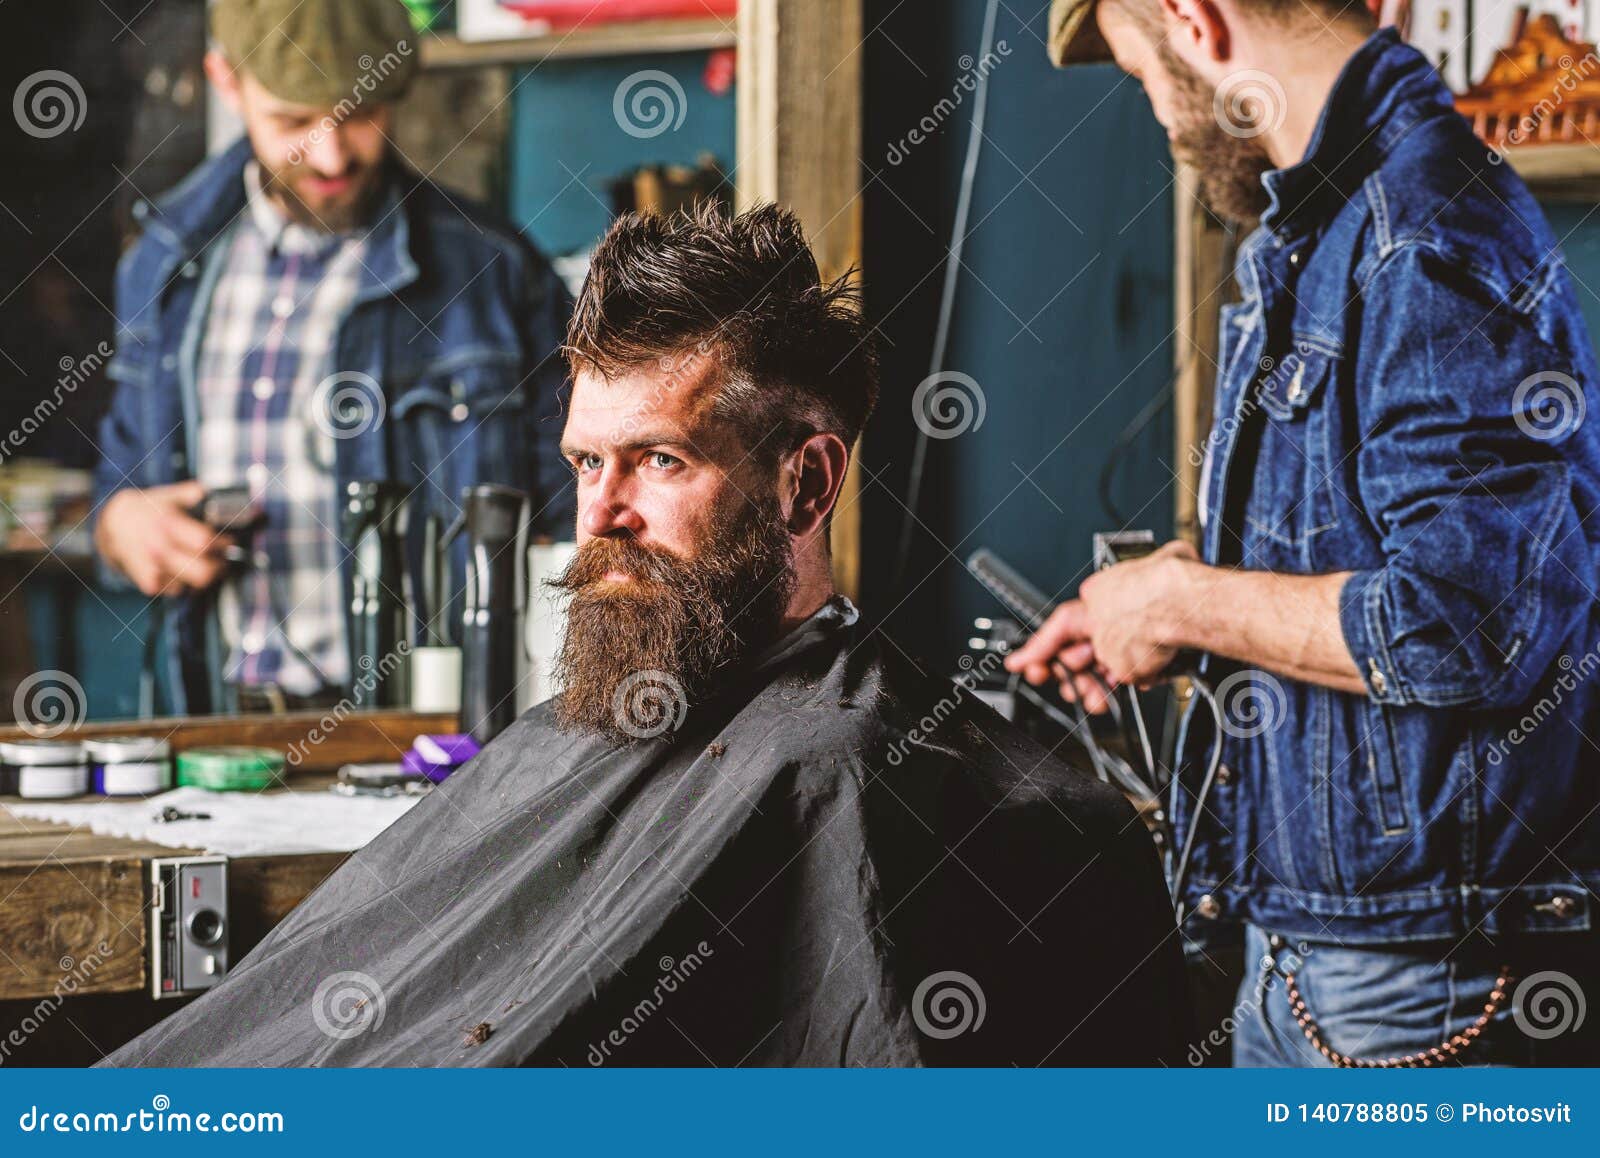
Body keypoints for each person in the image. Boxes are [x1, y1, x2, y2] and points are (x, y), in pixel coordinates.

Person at [100, 205, 1191, 1067]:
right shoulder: (576, 734)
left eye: (658, 461)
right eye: (585, 463)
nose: (599, 512)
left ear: (804, 482)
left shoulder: (836, 773)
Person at [1024, 0, 1600, 1065]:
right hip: (1319, 948)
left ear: (1191, 22)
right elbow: (1370, 564)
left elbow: (1469, 625)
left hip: (1418, 981)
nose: (1157, 116)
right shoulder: (1329, 233)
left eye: (1140, 74)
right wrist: (1164, 609)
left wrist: (1180, 604)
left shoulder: (1420, 236)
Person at [91, 0, 573, 714]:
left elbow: (578, 520)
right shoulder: (161, 263)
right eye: (292, 121)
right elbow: (119, 487)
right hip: (210, 725)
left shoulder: (494, 273)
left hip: (433, 734)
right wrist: (121, 524)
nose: (330, 155)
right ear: (226, 81)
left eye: (359, 114)